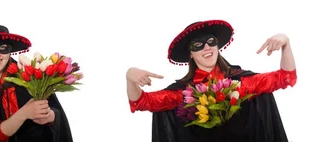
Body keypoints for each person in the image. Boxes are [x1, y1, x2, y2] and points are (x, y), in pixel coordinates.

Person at [125, 20, 297, 142]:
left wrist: (286, 42)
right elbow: (141, 102)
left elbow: (286, 77)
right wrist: (130, 75)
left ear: (217, 46)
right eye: (197, 45)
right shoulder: (183, 93)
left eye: (210, 42)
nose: (206, 47)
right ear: (190, 54)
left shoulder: (242, 83)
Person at [0, 24, 74, 142]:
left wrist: (49, 116)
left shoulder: (29, 76)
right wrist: (24, 113)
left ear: (10, 52)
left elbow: (57, 114)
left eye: (3, 47)